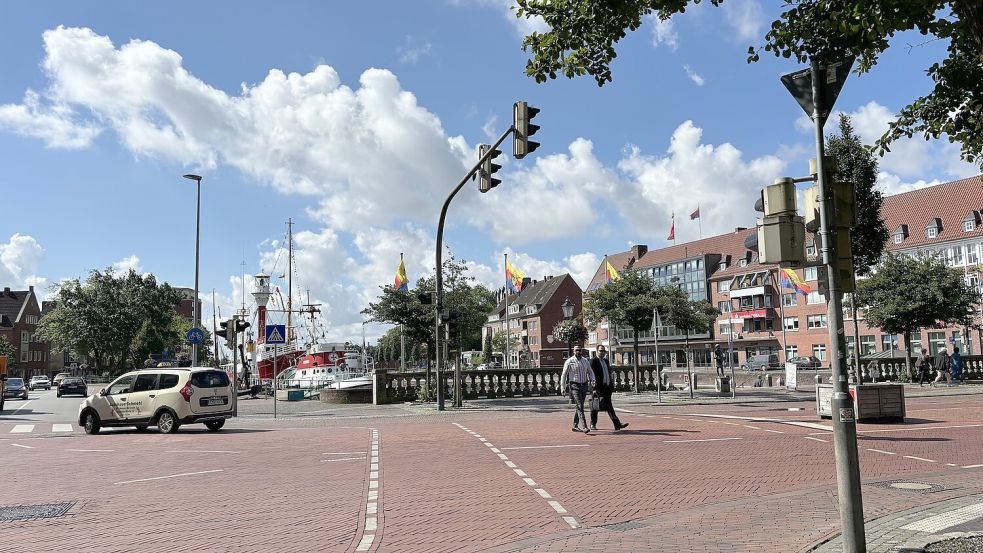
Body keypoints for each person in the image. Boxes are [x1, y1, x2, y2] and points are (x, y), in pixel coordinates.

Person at [589, 345, 628, 431]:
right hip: (597, 388)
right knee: (595, 406)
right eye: (600, 351)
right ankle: (593, 423)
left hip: (607, 388)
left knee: (609, 407)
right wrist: (594, 388)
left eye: (603, 351)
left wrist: (611, 385)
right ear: (596, 351)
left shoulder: (606, 361)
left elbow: (608, 373)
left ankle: (617, 424)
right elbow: (591, 376)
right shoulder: (593, 361)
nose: (602, 353)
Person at [560, 345, 595, 434]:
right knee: (580, 405)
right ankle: (584, 427)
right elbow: (564, 374)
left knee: (580, 406)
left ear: (581, 351)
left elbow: (590, 372)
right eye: (576, 350)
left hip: (584, 385)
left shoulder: (585, 361)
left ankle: (575, 425)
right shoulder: (569, 361)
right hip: (574, 386)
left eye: (579, 350)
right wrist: (562, 387)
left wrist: (593, 380)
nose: (578, 352)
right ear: (573, 351)